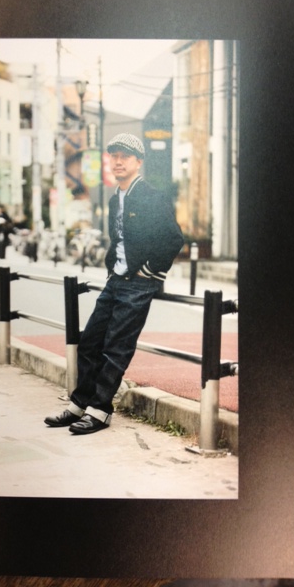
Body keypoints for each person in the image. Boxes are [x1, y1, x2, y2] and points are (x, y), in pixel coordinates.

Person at [45, 133, 184, 435]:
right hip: (116, 280)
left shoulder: (151, 196)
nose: (118, 161)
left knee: (115, 348)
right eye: (114, 156)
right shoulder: (114, 198)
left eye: (125, 156)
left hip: (138, 284)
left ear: (138, 161)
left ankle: (100, 410)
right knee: (90, 341)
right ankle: (80, 403)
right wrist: (112, 270)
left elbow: (174, 238)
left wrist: (150, 270)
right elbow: (118, 240)